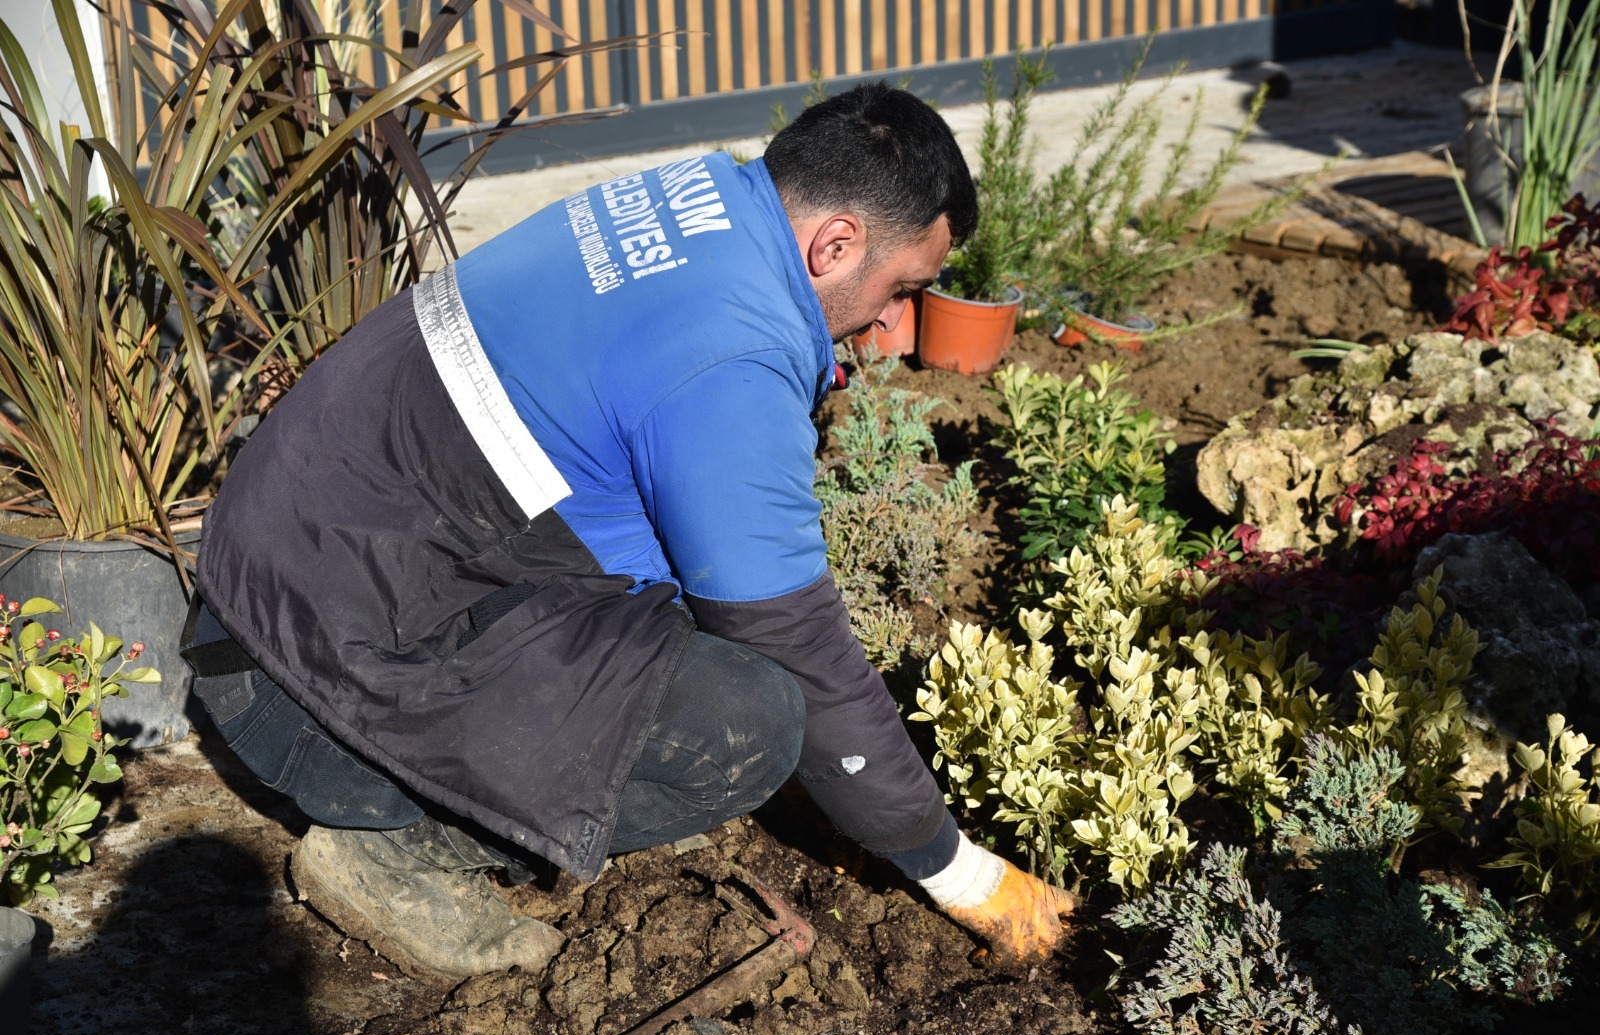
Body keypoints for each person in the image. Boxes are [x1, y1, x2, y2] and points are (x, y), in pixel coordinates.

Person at [181, 81, 1074, 984]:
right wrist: (957, 869)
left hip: (263, 584)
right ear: (834, 242)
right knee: (752, 719)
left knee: (682, 608)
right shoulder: (730, 352)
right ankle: (399, 854)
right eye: (901, 288)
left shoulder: (696, 197)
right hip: (299, 694)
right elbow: (793, 643)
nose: (894, 321)